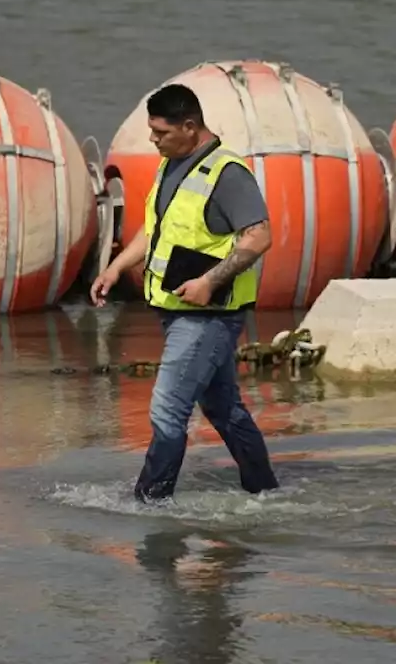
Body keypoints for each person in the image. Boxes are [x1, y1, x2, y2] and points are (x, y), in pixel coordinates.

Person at [90, 83, 280, 503]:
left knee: (167, 409)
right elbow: (155, 228)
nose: (153, 140)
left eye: (161, 132)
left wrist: (210, 281)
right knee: (223, 409)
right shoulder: (172, 163)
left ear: (190, 127)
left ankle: (150, 503)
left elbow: (260, 235)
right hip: (175, 310)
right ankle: (264, 492)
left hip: (208, 316)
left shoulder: (228, 174)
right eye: (151, 131)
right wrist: (116, 267)